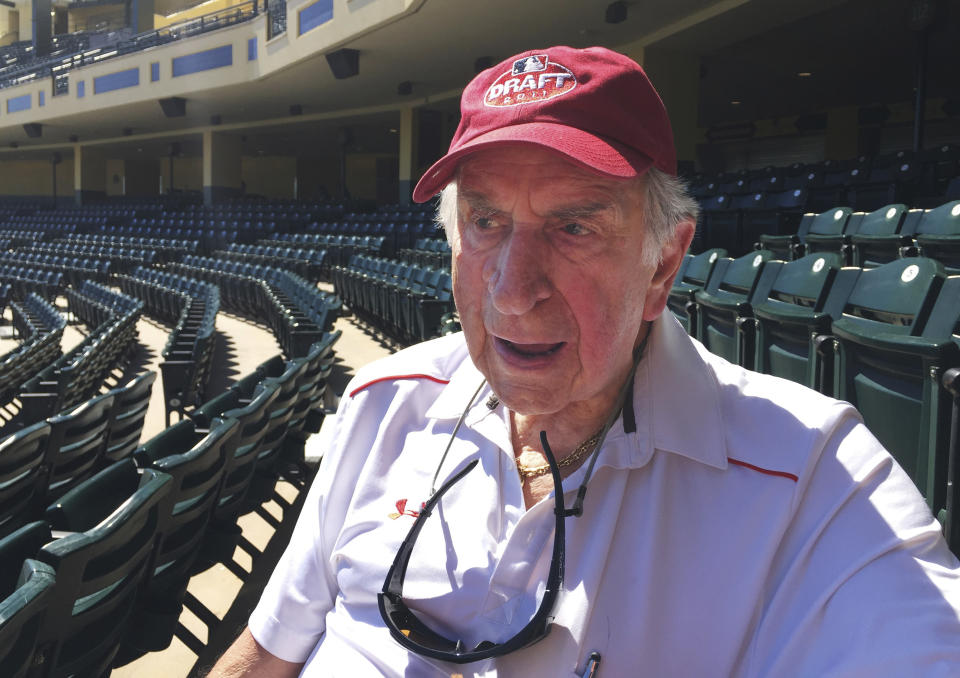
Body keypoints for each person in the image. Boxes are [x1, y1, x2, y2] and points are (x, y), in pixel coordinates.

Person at [210, 46, 960, 677]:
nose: (512, 293)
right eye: (485, 222)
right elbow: (265, 653)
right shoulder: (380, 404)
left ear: (663, 266)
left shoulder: (816, 481)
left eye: (574, 226)